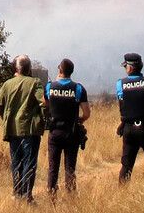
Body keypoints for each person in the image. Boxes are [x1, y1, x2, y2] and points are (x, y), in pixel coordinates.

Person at [0, 55, 47, 202]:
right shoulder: (35, 83)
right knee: (29, 162)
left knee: (16, 162)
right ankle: (27, 196)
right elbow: (43, 103)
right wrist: (45, 121)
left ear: (15, 68)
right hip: (30, 130)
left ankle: (16, 193)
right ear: (29, 68)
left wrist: (6, 118)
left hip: (12, 129)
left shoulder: (7, 84)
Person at [44, 58, 90, 194]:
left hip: (55, 132)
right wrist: (79, 120)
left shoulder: (50, 86)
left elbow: (45, 104)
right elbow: (87, 113)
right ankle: (70, 195)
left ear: (60, 70)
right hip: (71, 132)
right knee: (70, 167)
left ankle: (51, 194)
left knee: (53, 167)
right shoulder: (78, 88)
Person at [115, 52, 144, 183]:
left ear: (129, 68)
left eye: (125, 66)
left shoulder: (120, 84)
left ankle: (121, 197)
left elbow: (122, 105)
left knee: (126, 168)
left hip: (129, 129)